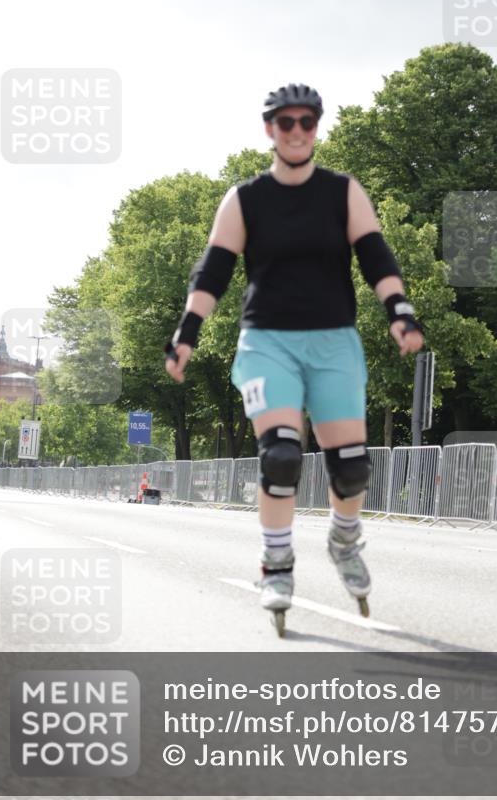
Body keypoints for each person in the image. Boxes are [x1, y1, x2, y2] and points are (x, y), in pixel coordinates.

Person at [165, 83, 424, 626]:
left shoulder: (343, 192)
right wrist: (187, 331)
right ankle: (276, 560)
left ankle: (345, 539)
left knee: (351, 469)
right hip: (268, 343)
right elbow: (213, 270)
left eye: (308, 121)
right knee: (280, 457)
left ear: (316, 127)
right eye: (287, 123)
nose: (298, 131)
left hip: (334, 340)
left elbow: (376, 255)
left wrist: (399, 310)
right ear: (270, 130)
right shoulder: (245, 199)